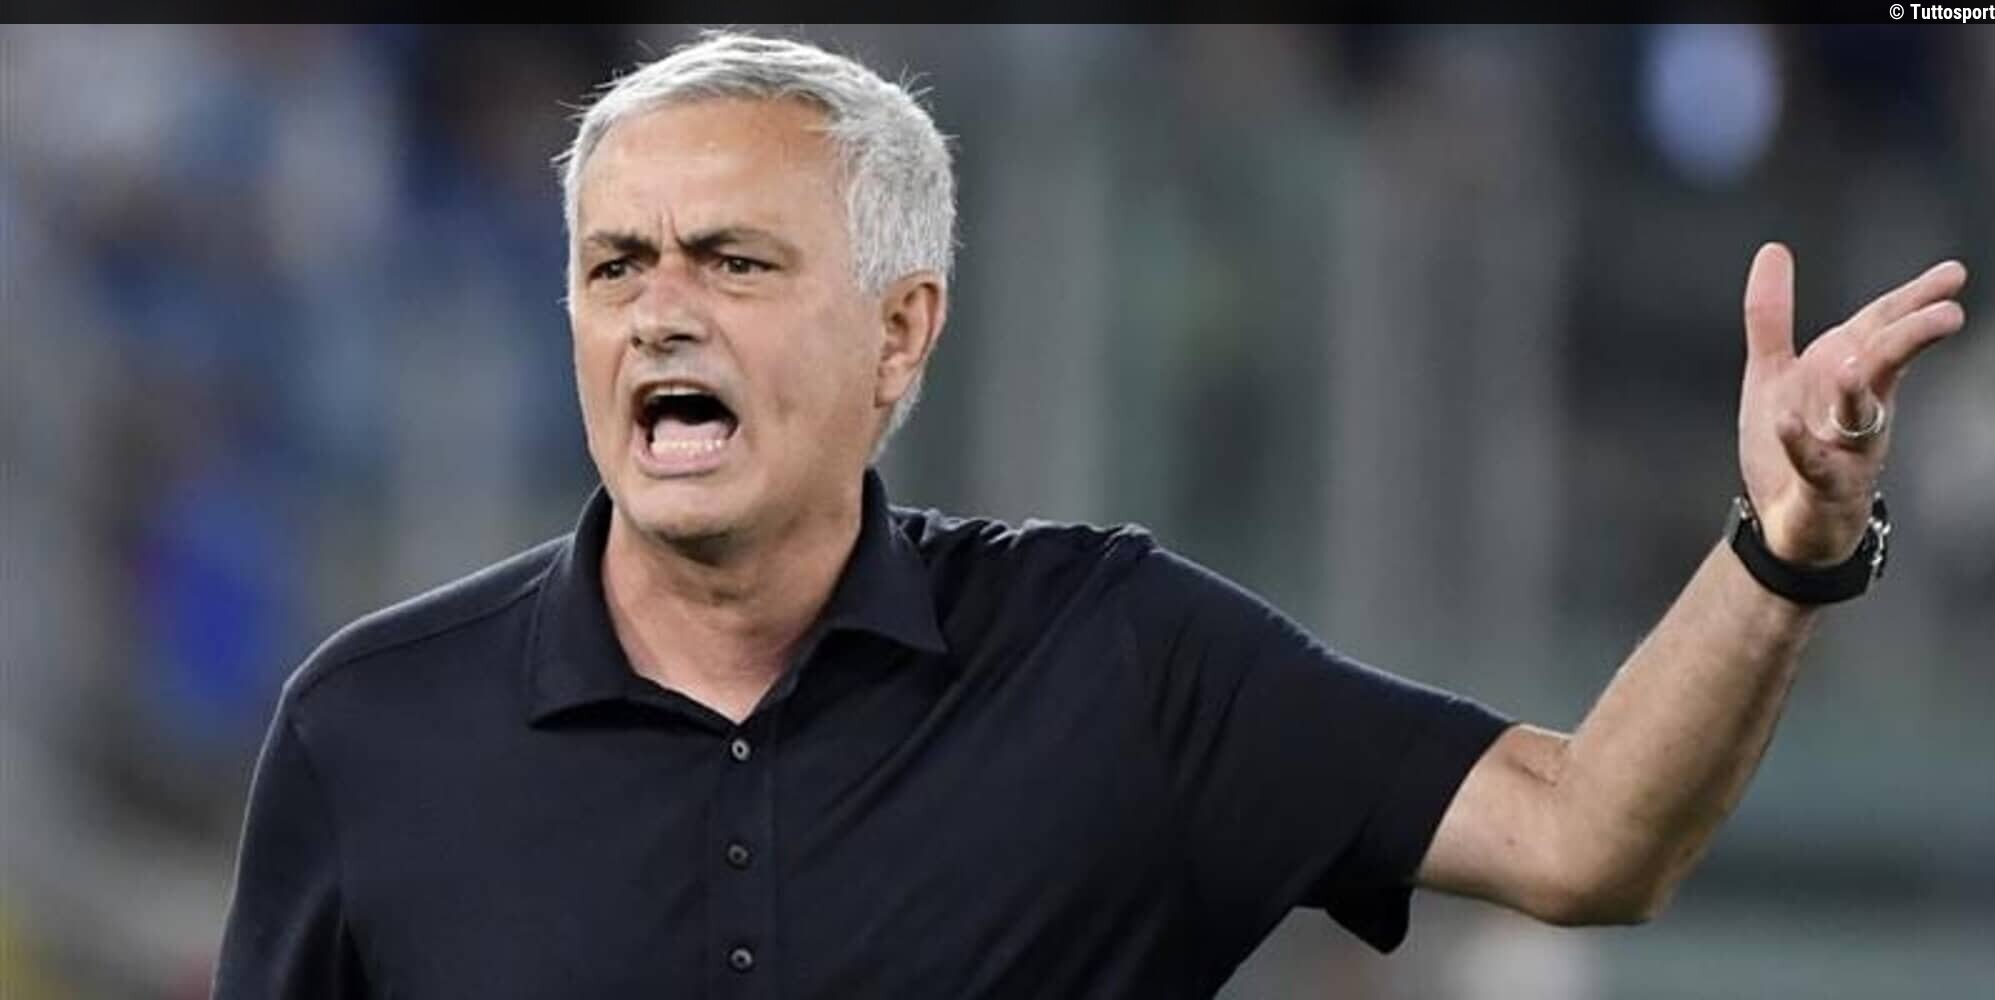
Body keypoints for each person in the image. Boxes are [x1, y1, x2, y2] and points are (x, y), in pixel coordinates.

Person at [212, 30, 1971, 999]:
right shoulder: (374, 730)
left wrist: (1784, 548)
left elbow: (1588, 840)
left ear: (902, 331)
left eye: (733, 262)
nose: (661, 313)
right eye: (616, 267)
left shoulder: (1113, 664)